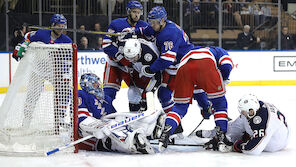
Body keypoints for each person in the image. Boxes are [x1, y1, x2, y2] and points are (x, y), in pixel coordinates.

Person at [123, 6, 231, 152]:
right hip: (180, 65)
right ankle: (219, 129)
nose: (152, 24)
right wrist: (133, 32)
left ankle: (170, 128)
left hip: (180, 66)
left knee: (178, 101)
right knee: (215, 100)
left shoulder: (169, 33)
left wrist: (150, 69)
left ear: (162, 20)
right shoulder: (162, 26)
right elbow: (148, 31)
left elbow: (167, 59)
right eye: (150, 21)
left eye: (154, 22)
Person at [11, 14, 72, 128]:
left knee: (65, 90)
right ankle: (27, 120)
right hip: (38, 69)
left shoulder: (67, 40)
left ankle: (60, 117)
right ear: (53, 25)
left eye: (63, 25)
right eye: (59, 25)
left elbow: (68, 59)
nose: (61, 27)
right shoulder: (41, 33)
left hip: (55, 72)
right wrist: (21, 46)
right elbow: (28, 36)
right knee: (32, 95)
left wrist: (64, 73)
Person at [78, 73, 163, 154]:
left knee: (123, 120)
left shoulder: (105, 99)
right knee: (110, 139)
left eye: (98, 83)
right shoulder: (81, 94)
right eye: (94, 84)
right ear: (87, 85)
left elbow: (113, 117)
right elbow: (81, 118)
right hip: (91, 135)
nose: (98, 85)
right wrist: (97, 126)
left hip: (107, 127)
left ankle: (150, 132)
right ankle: (134, 142)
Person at [197, 94, 289, 155]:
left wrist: (236, 146)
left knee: (243, 134)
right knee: (234, 125)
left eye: (244, 112)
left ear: (251, 111)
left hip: (275, 143)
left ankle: (242, 137)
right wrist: (225, 138)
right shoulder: (256, 107)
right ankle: (214, 134)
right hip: (277, 131)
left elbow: (254, 150)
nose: (243, 114)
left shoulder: (260, 120)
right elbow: (237, 126)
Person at [102, 1, 149, 111]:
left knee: (137, 94)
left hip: (133, 67)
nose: (136, 15)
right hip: (115, 64)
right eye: (134, 12)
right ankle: (106, 118)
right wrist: (120, 57)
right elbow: (106, 44)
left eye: (139, 12)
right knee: (108, 94)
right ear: (128, 12)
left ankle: (136, 119)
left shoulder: (144, 26)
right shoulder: (116, 24)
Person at [192, 46, 233, 120]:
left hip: (187, 68)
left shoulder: (195, 50)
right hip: (195, 67)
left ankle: (208, 109)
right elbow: (227, 66)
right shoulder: (221, 53)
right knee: (219, 100)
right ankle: (220, 116)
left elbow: (198, 91)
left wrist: (204, 107)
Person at [122, 38, 161, 112]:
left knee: (148, 94)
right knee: (132, 92)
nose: (131, 60)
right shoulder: (127, 51)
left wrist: (147, 94)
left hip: (154, 71)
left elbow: (157, 78)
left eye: (133, 57)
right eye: (128, 58)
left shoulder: (150, 55)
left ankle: (147, 111)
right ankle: (134, 114)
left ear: (139, 52)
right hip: (140, 70)